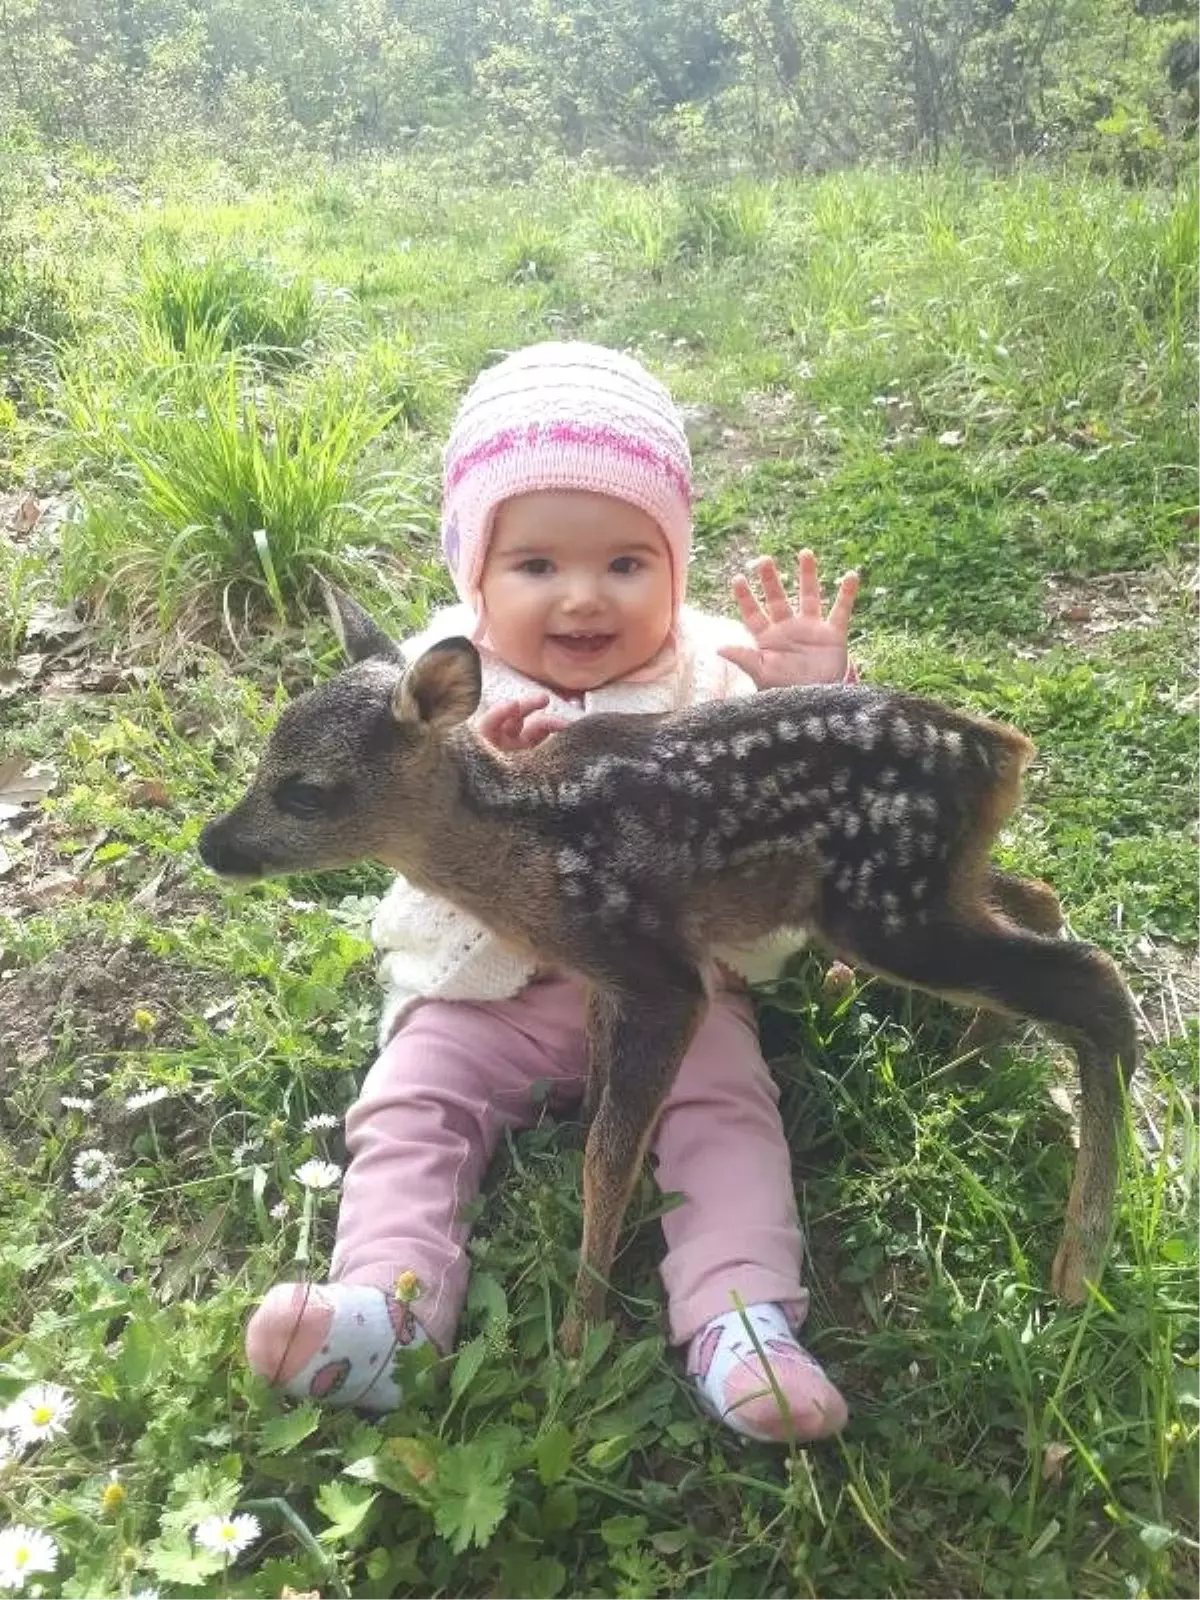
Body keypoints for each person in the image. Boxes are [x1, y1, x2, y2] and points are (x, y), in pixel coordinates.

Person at [245, 342, 860, 1443]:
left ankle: (743, 1314)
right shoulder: (430, 694)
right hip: (487, 994)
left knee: (723, 1106)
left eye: (629, 562)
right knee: (412, 1099)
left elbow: (807, 776)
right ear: (474, 580)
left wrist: (815, 692)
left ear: (677, 568)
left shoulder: (714, 673)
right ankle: (381, 1306)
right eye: (535, 565)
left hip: (672, 984)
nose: (583, 596)